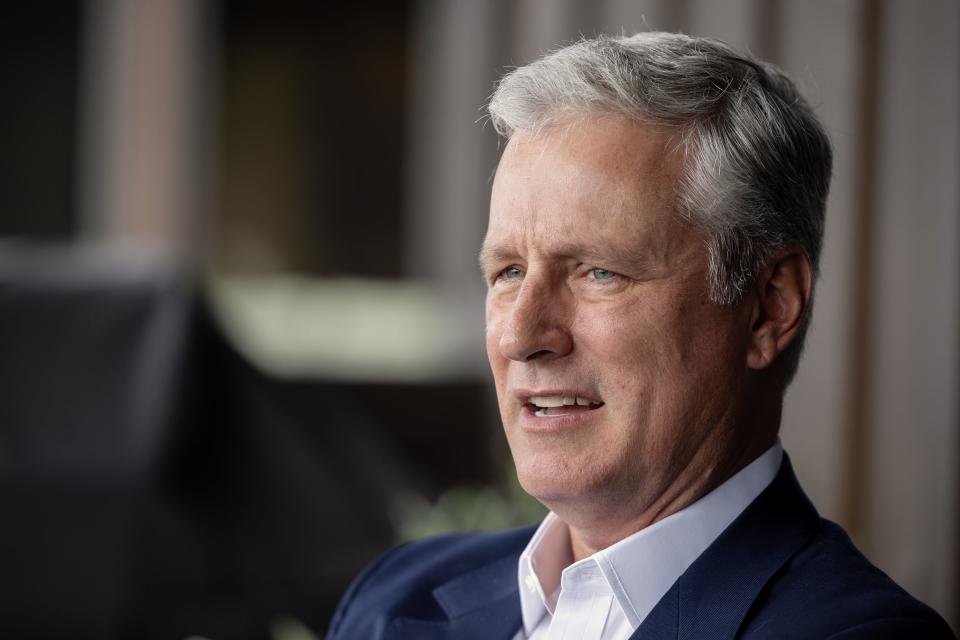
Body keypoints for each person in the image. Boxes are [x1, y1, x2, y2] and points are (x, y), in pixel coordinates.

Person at [328, 32, 955, 639]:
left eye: (599, 271)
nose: (521, 335)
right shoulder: (393, 599)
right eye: (509, 272)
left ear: (768, 308)